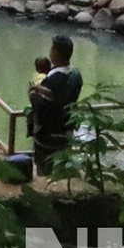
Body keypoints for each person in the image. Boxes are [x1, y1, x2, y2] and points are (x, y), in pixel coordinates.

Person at [29, 36, 83, 175]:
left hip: (48, 134)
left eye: (52, 48)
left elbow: (41, 106)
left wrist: (32, 92)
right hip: (66, 131)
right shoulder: (76, 75)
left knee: (45, 170)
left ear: (56, 53)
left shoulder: (52, 81)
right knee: (62, 171)